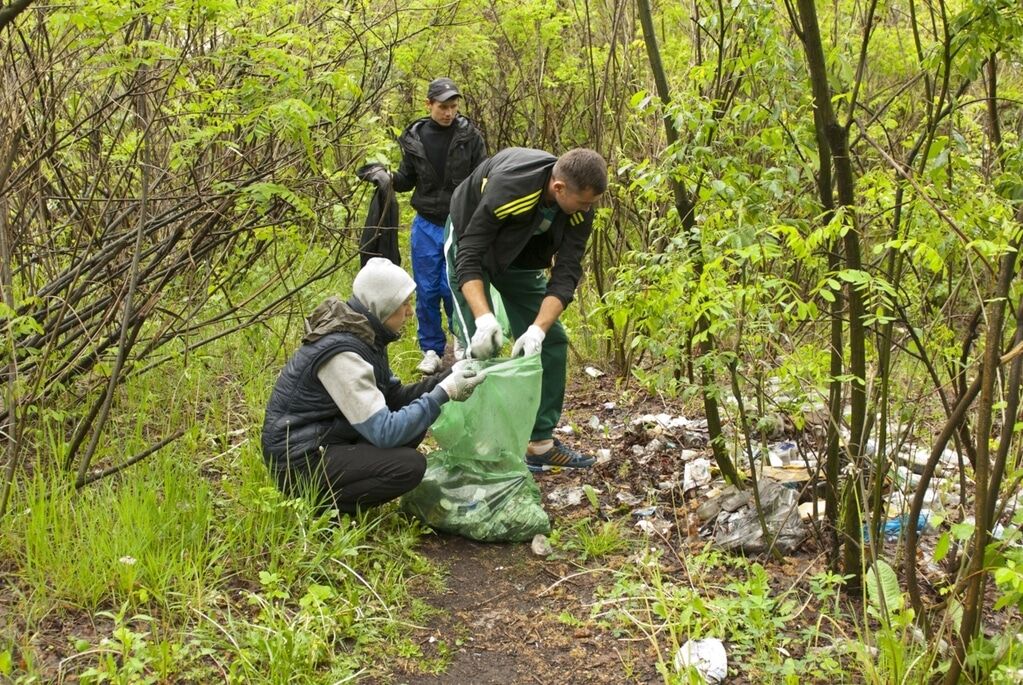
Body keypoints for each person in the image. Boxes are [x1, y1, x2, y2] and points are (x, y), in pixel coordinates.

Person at [261, 258, 485, 514]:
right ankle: (327, 509)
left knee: (414, 425)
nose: (410, 312)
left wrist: (448, 376)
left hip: (328, 437)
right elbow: (385, 432)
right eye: (404, 304)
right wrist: (443, 393)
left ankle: (340, 490)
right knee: (409, 466)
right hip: (299, 460)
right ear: (383, 307)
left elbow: (394, 397)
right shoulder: (343, 354)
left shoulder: (365, 333)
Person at [445, 147, 608, 472]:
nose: (588, 209)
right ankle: (475, 450)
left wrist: (537, 330)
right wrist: (484, 319)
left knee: (552, 341)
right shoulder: (512, 189)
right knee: (481, 350)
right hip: (470, 240)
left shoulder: (579, 208)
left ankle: (539, 444)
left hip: (522, 253)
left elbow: (566, 273)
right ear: (559, 188)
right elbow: (470, 255)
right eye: (584, 202)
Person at [390, 77, 488, 374]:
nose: (449, 113)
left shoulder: (470, 137)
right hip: (425, 224)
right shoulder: (415, 138)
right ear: (429, 105)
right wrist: (385, 178)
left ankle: (460, 341)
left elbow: (483, 177)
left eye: (453, 107)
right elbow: (406, 180)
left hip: (458, 223)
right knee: (427, 289)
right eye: (443, 107)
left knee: (453, 286)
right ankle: (431, 350)